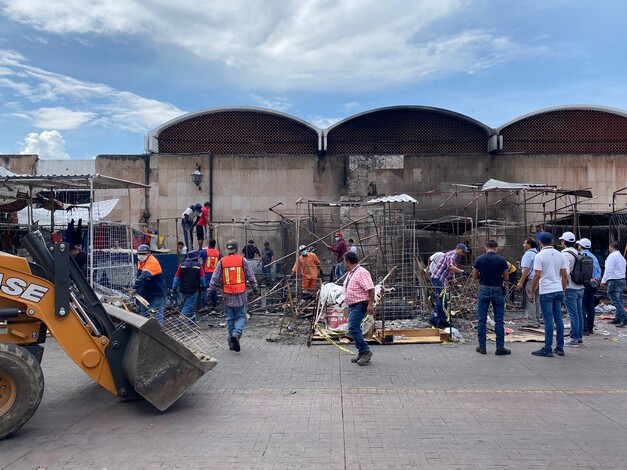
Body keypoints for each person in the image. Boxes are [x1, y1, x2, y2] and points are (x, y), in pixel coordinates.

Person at [207, 239, 259, 352]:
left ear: (227, 249)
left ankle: (231, 341)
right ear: (237, 249)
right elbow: (251, 276)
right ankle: (237, 333)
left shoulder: (222, 262)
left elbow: (214, 279)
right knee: (241, 316)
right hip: (241, 293)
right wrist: (255, 288)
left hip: (227, 293)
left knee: (230, 318)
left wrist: (210, 292)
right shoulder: (242, 260)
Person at [529, 232, 568, 357]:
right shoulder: (560, 255)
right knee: (558, 318)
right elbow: (564, 275)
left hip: (546, 290)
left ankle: (547, 348)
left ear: (540, 242)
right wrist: (563, 290)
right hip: (557, 289)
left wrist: (531, 291)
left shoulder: (539, 256)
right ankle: (560, 347)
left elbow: (537, 275)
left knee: (548, 320)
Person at [472, 240, 510, 355]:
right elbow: (507, 278)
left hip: (484, 289)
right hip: (498, 290)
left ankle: (482, 347)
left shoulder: (479, 259)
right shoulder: (502, 260)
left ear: (485, 247)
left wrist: (482, 276)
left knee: (482, 320)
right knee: (499, 320)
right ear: (496, 248)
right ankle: (500, 348)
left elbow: (474, 276)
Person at [342, 251, 375, 366]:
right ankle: (361, 351)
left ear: (348, 262)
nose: (343, 264)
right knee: (354, 328)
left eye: (344, 261)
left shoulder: (361, 272)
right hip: (352, 305)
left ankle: (365, 351)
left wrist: (370, 304)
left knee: (353, 328)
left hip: (360, 304)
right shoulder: (351, 272)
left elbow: (371, 289)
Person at [428, 243, 469, 328]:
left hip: (442, 279)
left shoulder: (454, 256)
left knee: (445, 300)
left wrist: (453, 278)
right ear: (458, 249)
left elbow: (449, 269)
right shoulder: (452, 255)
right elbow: (450, 267)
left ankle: (443, 320)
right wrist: (462, 271)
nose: (464, 254)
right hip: (438, 278)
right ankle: (434, 318)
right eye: (463, 252)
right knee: (443, 299)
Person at [559, 231, 585, 347]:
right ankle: (579, 337)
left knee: (573, 314)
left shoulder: (565, 254)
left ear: (563, 242)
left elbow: (565, 274)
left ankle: (573, 338)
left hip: (570, 288)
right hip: (580, 287)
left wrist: (562, 288)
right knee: (579, 313)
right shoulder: (577, 252)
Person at [133, 244, 167, 324]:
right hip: (146, 294)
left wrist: (134, 288)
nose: (141, 256)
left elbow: (144, 277)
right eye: (139, 254)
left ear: (149, 253)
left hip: (157, 294)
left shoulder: (152, 262)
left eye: (144, 254)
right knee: (144, 317)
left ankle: (157, 335)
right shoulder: (140, 262)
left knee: (156, 318)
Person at [172, 251, 206, 324]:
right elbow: (202, 278)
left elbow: (176, 278)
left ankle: (192, 323)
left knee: (188, 304)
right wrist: (203, 286)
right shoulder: (199, 266)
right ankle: (179, 323)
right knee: (188, 306)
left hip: (183, 289)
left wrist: (174, 288)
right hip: (194, 289)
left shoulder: (181, 265)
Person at [577, 238, 601, 335]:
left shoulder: (580, 256)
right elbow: (599, 271)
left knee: (581, 306)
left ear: (580, 246)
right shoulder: (594, 257)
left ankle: (584, 328)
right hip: (593, 284)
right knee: (590, 306)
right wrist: (595, 279)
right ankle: (590, 327)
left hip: (583, 284)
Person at [516, 238, 541, 328]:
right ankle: (537, 319)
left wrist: (521, 282)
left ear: (529, 245)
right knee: (537, 300)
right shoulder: (538, 254)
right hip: (538, 279)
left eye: (525, 243)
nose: (523, 245)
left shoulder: (528, 255)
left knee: (530, 300)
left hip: (530, 280)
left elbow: (526, 269)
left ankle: (532, 321)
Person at [601, 241, 627, 328]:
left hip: (614, 280)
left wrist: (603, 280)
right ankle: (618, 318)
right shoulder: (621, 257)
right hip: (621, 279)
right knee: (619, 299)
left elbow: (608, 269)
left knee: (615, 299)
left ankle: (624, 317)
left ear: (612, 247)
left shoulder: (612, 256)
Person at [202, 239, 221, 310]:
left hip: (206, 273)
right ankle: (214, 304)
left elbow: (197, 255)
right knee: (214, 289)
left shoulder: (204, 252)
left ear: (208, 244)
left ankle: (205, 305)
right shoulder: (217, 253)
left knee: (206, 289)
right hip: (215, 273)